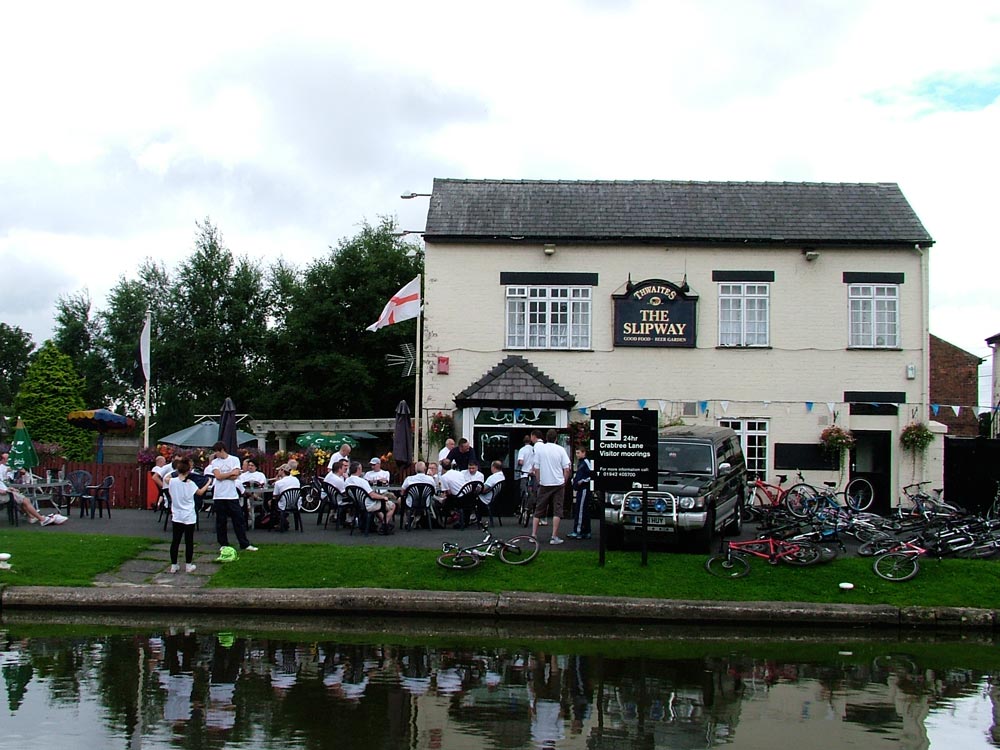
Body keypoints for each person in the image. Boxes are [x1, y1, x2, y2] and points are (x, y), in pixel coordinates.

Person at [207, 441, 257, 552]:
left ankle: (244, 543)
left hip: (231, 495)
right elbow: (218, 476)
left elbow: (234, 476)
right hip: (219, 495)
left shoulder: (234, 459)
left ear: (222, 450)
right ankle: (223, 543)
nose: (216, 455)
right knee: (221, 521)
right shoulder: (215, 462)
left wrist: (225, 475)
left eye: (217, 452)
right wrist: (230, 474)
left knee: (238, 520)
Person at [167, 457, 211, 573]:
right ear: (188, 471)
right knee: (189, 541)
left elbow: (167, 478)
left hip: (177, 514)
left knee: (175, 541)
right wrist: (208, 483)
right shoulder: (190, 484)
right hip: (189, 515)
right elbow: (200, 492)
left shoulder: (172, 481)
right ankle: (188, 564)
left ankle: (174, 565)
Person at [532, 429, 570, 544]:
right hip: (558, 483)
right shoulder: (561, 450)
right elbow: (567, 468)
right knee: (557, 510)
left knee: (539, 509)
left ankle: (533, 535)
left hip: (544, 483)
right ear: (556, 439)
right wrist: (564, 481)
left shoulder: (540, 450)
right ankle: (554, 536)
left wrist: (539, 480)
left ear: (546, 438)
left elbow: (536, 468)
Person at [346, 460, 395, 533]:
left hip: (357, 504)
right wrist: (383, 497)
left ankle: (384, 525)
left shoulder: (347, 481)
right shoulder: (362, 481)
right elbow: (372, 495)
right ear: (358, 469)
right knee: (392, 505)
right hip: (368, 505)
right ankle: (385, 525)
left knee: (378, 506)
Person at [400, 460, 436, 529]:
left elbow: (402, 492)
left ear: (415, 469)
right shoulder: (430, 479)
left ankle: (409, 518)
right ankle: (417, 518)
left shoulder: (409, 479)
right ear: (425, 469)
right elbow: (434, 491)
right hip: (426, 502)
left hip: (411, 503)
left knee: (400, 500)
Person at [567, 447, 593, 540]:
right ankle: (586, 531)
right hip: (580, 489)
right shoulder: (580, 463)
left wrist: (583, 481)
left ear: (583, 453)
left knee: (581, 510)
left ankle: (578, 531)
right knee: (583, 510)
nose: (577, 455)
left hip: (584, 489)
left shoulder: (586, 462)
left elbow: (592, 474)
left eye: (578, 453)